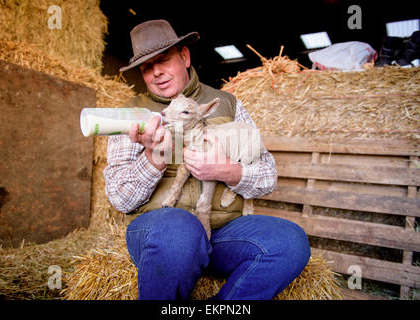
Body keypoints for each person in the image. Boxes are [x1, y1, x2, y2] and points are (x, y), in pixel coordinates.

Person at [104, 19, 310, 300]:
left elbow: (267, 177)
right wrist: (153, 158)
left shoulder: (227, 104)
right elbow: (120, 199)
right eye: (146, 68)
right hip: (160, 235)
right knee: (179, 231)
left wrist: (227, 170)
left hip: (220, 234)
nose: (156, 73)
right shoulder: (129, 115)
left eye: (163, 60)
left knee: (289, 241)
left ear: (185, 57)